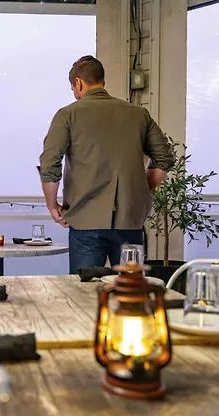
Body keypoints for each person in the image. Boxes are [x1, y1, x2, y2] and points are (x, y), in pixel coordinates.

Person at [39, 55, 176, 274]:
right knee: (129, 288)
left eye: (73, 88)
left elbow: (50, 163)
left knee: (82, 289)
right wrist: (141, 188)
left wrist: (52, 206)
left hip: (85, 221)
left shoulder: (67, 115)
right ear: (102, 81)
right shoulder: (138, 114)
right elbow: (165, 158)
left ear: (78, 83)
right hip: (130, 221)